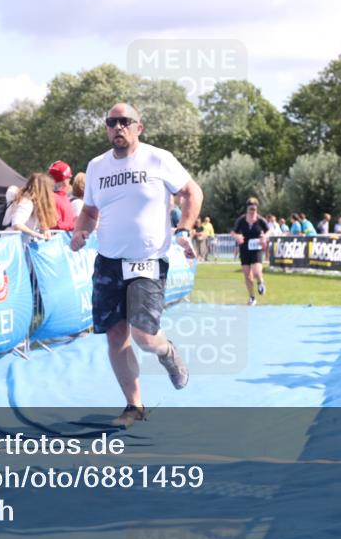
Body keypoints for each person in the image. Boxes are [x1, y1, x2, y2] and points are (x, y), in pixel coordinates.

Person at [70, 102, 203, 429]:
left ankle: (167, 351)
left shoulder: (158, 158)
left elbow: (191, 192)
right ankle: (134, 405)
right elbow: (89, 210)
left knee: (144, 337)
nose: (118, 127)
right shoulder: (97, 166)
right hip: (108, 264)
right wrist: (80, 231)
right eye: (111, 122)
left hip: (148, 261)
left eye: (124, 122)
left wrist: (184, 228)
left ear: (138, 127)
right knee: (116, 337)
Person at [231, 197, 270, 306]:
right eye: (250, 209)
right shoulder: (241, 220)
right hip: (244, 249)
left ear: (257, 209)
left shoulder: (260, 220)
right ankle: (252, 297)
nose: (252, 212)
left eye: (254, 209)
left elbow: (269, 231)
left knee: (257, 272)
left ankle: (261, 282)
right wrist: (237, 236)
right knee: (247, 275)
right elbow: (233, 232)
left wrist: (264, 237)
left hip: (256, 248)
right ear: (247, 209)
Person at [9, 172, 58, 241]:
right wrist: (35, 234)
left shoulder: (34, 203)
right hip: (13, 245)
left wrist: (45, 229)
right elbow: (16, 224)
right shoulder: (26, 202)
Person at [48, 160, 77, 230]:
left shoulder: (64, 196)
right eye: (69, 177)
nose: (70, 179)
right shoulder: (52, 198)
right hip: (58, 239)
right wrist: (76, 225)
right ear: (64, 179)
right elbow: (55, 224)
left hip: (66, 239)